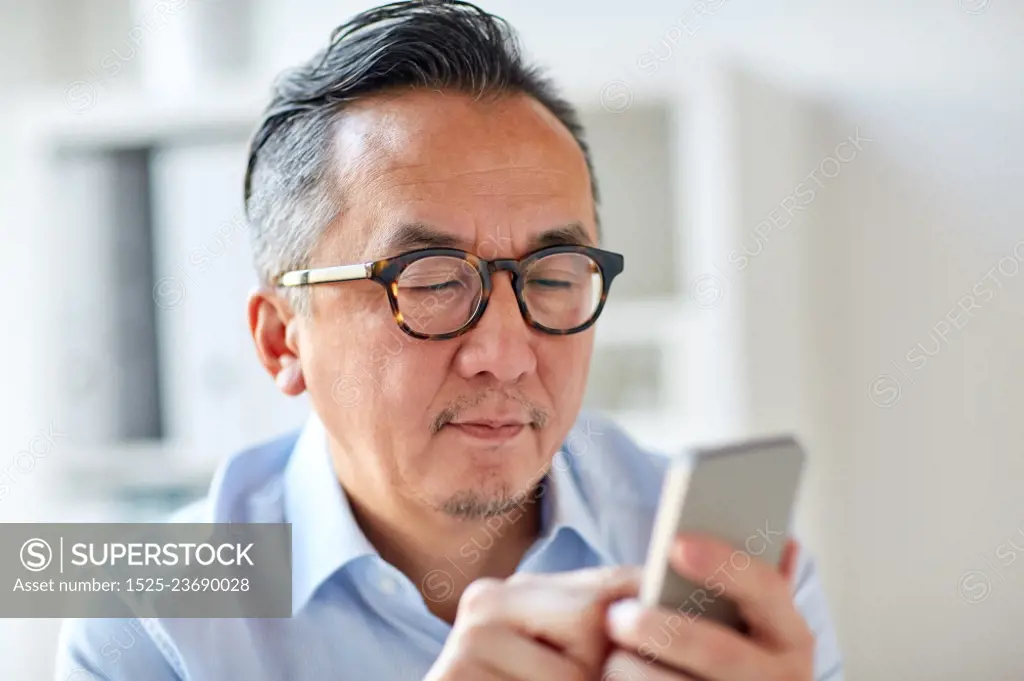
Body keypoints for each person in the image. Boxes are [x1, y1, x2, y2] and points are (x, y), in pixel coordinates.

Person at [56, 2, 844, 679]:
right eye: (431, 281)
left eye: (552, 273)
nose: (505, 352)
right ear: (281, 342)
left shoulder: (721, 570)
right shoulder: (146, 616)